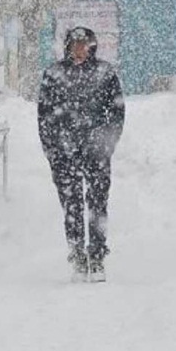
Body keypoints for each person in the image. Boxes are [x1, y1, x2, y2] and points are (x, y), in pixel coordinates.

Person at [37, 26, 125, 282]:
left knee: (97, 204)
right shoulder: (54, 74)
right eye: (75, 44)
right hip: (64, 153)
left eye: (84, 44)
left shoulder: (105, 73)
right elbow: (44, 116)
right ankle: (77, 254)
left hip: (96, 151)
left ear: (92, 46)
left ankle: (97, 257)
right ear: (67, 46)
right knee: (71, 206)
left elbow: (117, 112)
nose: (79, 49)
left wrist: (107, 143)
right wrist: (51, 149)